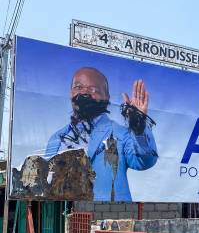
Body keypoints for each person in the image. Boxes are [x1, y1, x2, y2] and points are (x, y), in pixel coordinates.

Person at [45, 67, 158, 201]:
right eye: (79, 87)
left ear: (107, 97)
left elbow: (145, 161)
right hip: (63, 216)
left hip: (105, 218)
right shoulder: (56, 139)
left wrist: (138, 125)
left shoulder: (120, 134)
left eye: (94, 90)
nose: (85, 92)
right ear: (71, 93)